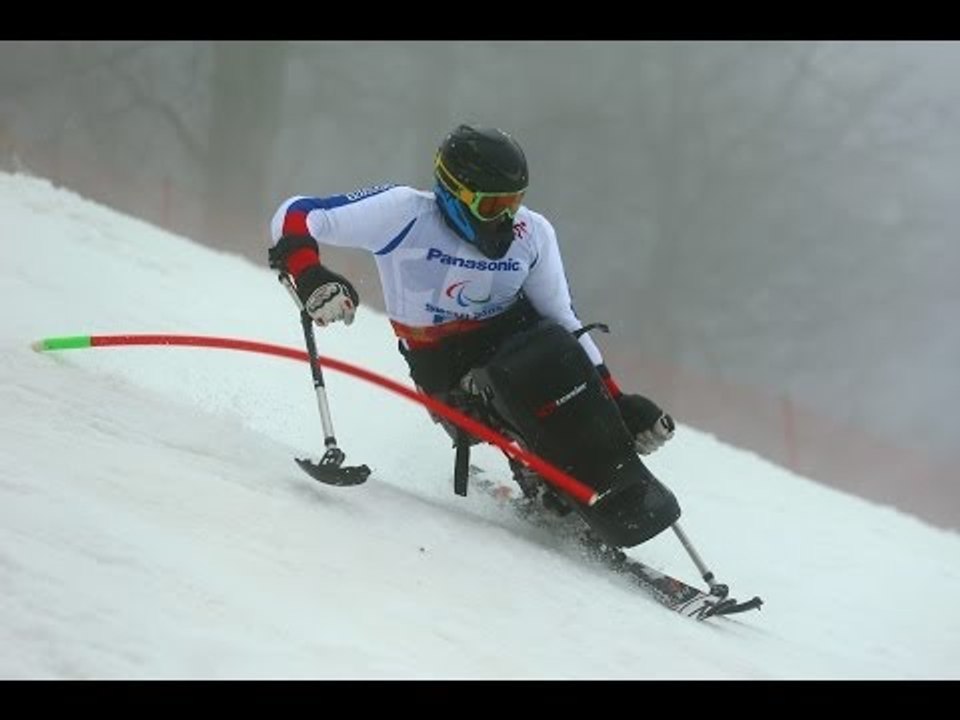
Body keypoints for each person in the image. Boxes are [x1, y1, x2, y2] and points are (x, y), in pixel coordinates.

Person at [268, 124, 675, 508]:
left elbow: (564, 320)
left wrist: (616, 399)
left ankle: (610, 478)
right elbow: (299, 213)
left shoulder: (533, 234)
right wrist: (309, 274)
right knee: (505, 383)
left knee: (554, 356)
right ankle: (539, 474)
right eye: (493, 205)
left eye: (514, 203)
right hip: (442, 359)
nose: (505, 218)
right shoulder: (405, 214)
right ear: (454, 193)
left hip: (517, 336)